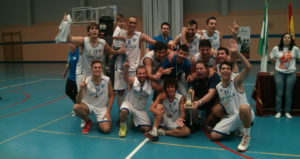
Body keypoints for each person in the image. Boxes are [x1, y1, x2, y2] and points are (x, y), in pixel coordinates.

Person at [210, 39, 254, 152]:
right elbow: (225, 102)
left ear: (231, 72)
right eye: (223, 69)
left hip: (244, 113)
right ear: (219, 72)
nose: (225, 71)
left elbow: (248, 67)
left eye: (228, 69)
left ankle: (246, 137)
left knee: (244, 107)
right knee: (214, 136)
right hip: (231, 117)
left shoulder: (236, 81)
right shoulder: (219, 87)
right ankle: (238, 128)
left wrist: (238, 52)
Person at [61, 14, 125, 91]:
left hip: (97, 72)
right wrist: (66, 24)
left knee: (103, 92)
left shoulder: (103, 42)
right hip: (84, 74)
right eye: (92, 29)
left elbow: (110, 51)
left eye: (96, 29)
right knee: (83, 98)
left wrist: (119, 51)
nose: (94, 30)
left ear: (98, 31)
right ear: (88, 33)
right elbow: (69, 39)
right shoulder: (83, 40)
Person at [118, 64, 162, 137]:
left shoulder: (151, 84)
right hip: (129, 104)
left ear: (146, 74)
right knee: (123, 111)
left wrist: (156, 101)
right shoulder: (133, 80)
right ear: (136, 74)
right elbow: (126, 79)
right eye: (140, 73)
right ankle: (123, 126)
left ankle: (133, 117)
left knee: (147, 129)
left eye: (144, 73)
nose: (142, 75)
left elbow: (161, 90)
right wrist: (126, 69)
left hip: (140, 109)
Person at [73, 60, 114, 134]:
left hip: (101, 108)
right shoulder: (87, 80)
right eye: (95, 67)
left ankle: (101, 122)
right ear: (91, 69)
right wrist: (81, 88)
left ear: (102, 69)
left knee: (106, 129)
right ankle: (88, 121)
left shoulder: (107, 80)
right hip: (90, 105)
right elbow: (78, 101)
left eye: (99, 67)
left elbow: (111, 96)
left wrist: (108, 112)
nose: (97, 69)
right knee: (76, 107)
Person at [269, 33, 300, 119]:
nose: (287, 39)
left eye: (289, 38)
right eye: (285, 37)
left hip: (291, 74)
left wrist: (293, 62)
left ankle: (287, 112)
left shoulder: (295, 49)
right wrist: (275, 63)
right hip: (279, 74)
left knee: (288, 94)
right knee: (279, 94)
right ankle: (278, 111)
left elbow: (299, 57)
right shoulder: (276, 48)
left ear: (291, 40)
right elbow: (270, 57)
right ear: (282, 39)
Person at [188, 61, 220, 132]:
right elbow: (191, 90)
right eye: (197, 69)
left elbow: (211, 93)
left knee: (210, 126)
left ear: (207, 69)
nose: (199, 71)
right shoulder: (194, 77)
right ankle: (195, 124)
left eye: (201, 68)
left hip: (213, 102)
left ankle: (211, 119)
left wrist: (199, 102)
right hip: (199, 100)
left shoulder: (214, 76)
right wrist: (189, 101)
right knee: (189, 103)